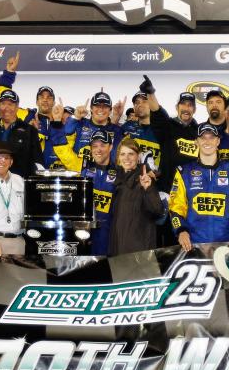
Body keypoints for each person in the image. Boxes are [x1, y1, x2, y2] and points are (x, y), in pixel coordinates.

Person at [168, 122, 229, 251]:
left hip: (226, 245)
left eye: (211, 137)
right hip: (192, 246)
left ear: (218, 141)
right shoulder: (183, 172)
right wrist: (181, 230)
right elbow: (176, 207)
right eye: (203, 137)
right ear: (196, 142)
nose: (207, 141)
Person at [52, 118, 119, 256]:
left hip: (108, 231)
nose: (98, 150)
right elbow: (62, 150)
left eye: (102, 145)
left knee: (103, 269)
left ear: (111, 147)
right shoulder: (81, 166)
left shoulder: (119, 172)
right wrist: (57, 123)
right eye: (94, 146)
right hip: (82, 229)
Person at [0, 52, 64, 169]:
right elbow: (1, 100)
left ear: (53, 102)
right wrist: (9, 73)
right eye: (41, 97)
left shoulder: (62, 120)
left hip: (55, 174)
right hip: (29, 171)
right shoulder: (26, 115)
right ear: (37, 102)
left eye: (49, 97)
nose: (45, 100)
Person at [108, 138, 164, 256]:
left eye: (131, 154)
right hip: (118, 250)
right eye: (123, 154)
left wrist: (148, 189)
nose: (126, 158)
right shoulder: (116, 181)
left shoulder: (145, 179)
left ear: (138, 156)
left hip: (139, 253)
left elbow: (157, 211)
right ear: (118, 157)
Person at [147, 77, 199, 192]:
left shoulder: (200, 132)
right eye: (183, 104)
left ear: (194, 110)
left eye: (190, 105)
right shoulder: (168, 126)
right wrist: (151, 93)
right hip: (166, 189)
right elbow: (157, 112)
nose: (186, 108)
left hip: (191, 191)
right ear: (177, 107)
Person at [51, 90, 124, 170]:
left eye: (105, 106)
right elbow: (62, 145)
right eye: (97, 105)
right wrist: (72, 118)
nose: (101, 109)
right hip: (81, 177)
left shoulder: (117, 131)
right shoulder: (79, 124)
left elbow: (121, 159)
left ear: (110, 110)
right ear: (91, 109)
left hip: (107, 179)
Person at [121, 91, 162, 171]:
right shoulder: (126, 126)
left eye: (144, 101)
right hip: (128, 180)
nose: (140, 104)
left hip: (153, 180)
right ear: (134, 107)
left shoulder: (162, 130)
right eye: (137, 102)